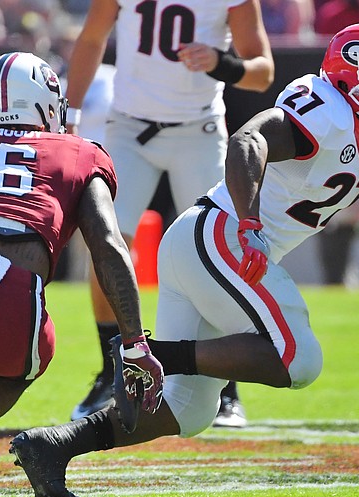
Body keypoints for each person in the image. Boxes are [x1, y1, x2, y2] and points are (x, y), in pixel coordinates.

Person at [8, 23, 359, 497]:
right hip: (222, 237)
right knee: (299, 359)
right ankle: (155, 356)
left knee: (190, 409)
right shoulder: (327, 111)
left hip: (205, 248)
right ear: (350, 82)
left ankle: (52, 447)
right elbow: (248, 141)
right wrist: (249, 223)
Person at [0, 52, 163, 463]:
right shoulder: (80, 152)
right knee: (19, 370)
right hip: (16, 286)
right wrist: (133, 342)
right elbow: (109, 247)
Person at [64, 0, 275, 426]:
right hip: (129, 128)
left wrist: (223, 63)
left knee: (219, 250)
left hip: (199, 131)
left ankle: (225, 387)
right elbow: (91, 38)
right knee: (107, 243)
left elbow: (262, 72)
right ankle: (115, 370)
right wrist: (70, 111)